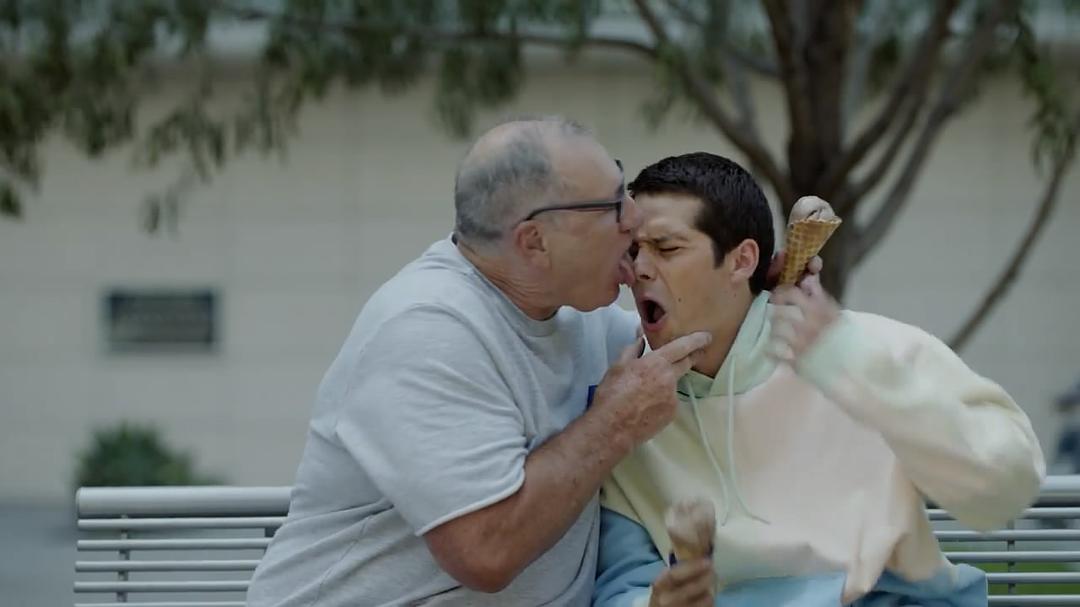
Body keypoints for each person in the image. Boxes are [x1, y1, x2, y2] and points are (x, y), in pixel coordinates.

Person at [246, 117, 824, 606]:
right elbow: (486, 550)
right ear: (535, 242)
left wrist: (752, 291)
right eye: (611, 206)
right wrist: (614, 422)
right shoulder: (427, 330)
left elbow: (698, 349)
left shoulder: (577, 315)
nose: (632, 219)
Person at [593, 152, 1046, 607]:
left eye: (667, 248)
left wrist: (853, 368)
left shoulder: (862, 350)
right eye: (633, 250)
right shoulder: (630, 411)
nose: (639, 270)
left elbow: (1006, 487)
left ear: (742, 261)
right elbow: (623, 587)